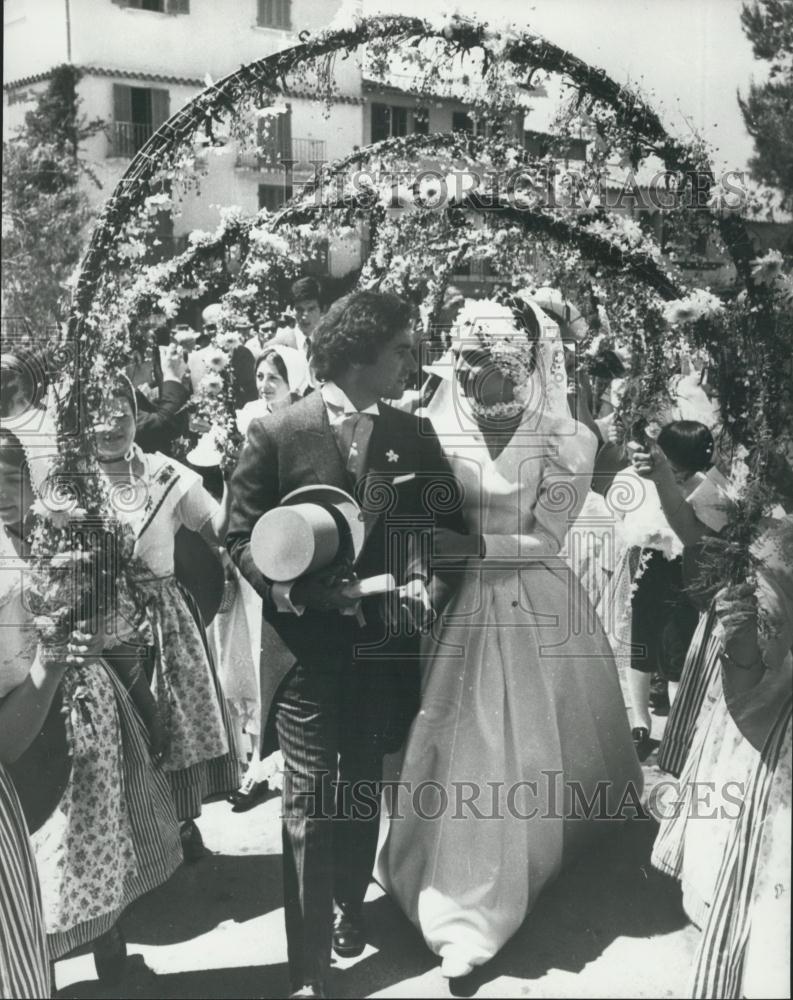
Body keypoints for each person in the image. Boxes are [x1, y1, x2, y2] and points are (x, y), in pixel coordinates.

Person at [378, 294, 643, 979]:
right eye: (466, 364)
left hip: (525, 596)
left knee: (507, 741)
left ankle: (481, 899)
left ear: (521, 363)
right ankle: (434, 869)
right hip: (449, 600)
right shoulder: (430, 423)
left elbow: (548, 539)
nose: (476, 379)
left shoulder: (562, 437)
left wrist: (468, 548)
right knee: (442, 735)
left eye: (492, 365)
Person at [226, 290, 467, 998]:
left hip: (381, 649)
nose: (410, 362)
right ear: (362, 351)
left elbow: (439, 523)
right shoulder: (277, 432)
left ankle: (345, 908)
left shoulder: (410, 433)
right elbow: (237, 536)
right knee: (303, 800)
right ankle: (307, 969)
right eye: (400, 349)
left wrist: (423, 577)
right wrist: (293, 592)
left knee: (360, 788)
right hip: (302, 650)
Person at [0, 424, 182, 980]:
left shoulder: (67, 538)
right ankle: (37, 963)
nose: (3, 494)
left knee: (97, 833)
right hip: (19, 712)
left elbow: (111, 630)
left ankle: (108, 942)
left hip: (83, 708)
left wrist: (147, 704)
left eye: (11, 480)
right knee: (35, 853)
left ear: (34, 485)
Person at [94, 376, 240, 861]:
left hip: (163, 620)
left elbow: (217, 526)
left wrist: (242, 474)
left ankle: (177, 828)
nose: (112, 423)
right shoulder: (71, 480)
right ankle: (134, 841)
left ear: (139, 416)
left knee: (172, 724)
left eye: (123, 412)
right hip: (101, 623)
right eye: (100, 411)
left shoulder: (164, 473)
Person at [236, 345, 310, 436]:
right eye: (260, 376)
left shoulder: (307, 416)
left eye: (273, 378)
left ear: (292, 379)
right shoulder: (251, 412)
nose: (263, 385)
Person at [272, 276, 325, 362]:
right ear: (292, 311)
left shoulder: (331, 346)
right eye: (299, 310)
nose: (304, 316)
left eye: (311, 309)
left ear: (321, 311)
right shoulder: (276, 347)